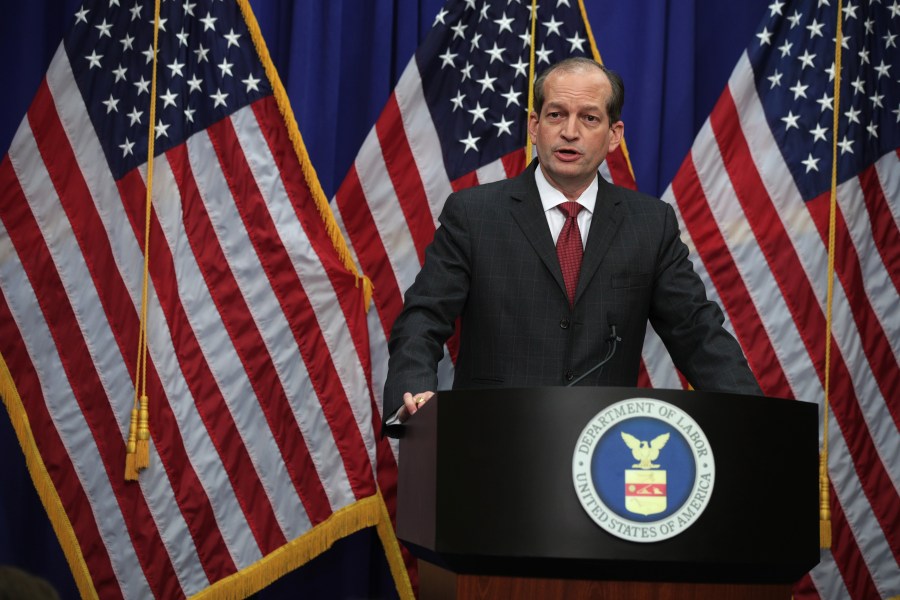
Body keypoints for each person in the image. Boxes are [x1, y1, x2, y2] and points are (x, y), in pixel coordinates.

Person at [382, 57, 761, 428]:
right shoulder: (474, 213)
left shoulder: (649, 224)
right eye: (556, 114)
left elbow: (697, 332)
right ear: (534, 126)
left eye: (590, 118)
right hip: (492, 438)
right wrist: (413, 391)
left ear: (614, 135)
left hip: (603, 449)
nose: (570, 131)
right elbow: (424, 317)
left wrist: (758, 418)